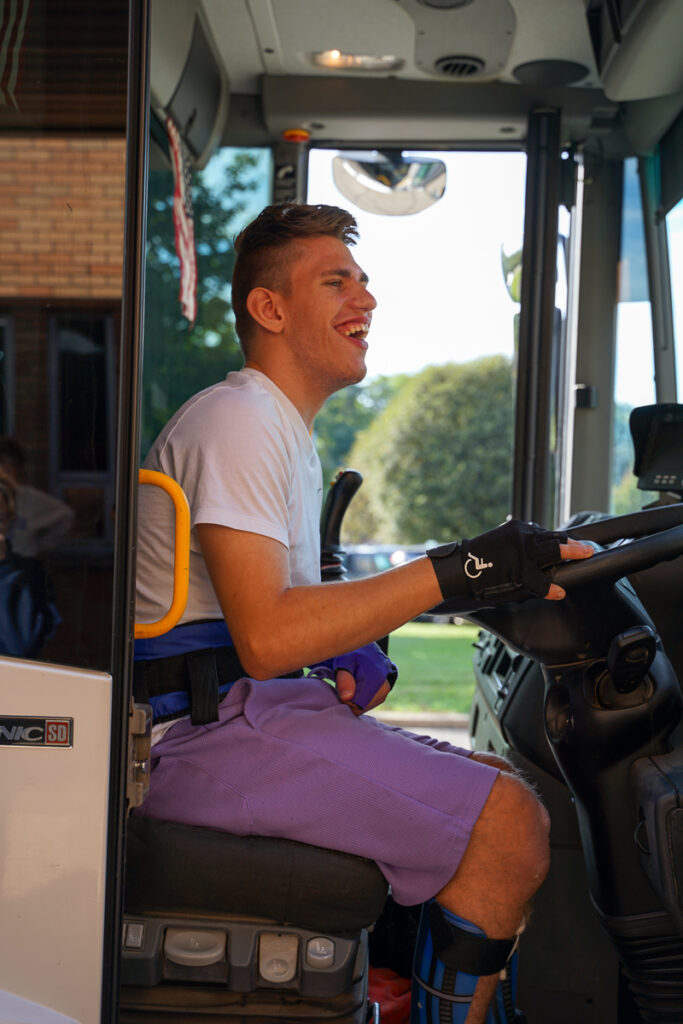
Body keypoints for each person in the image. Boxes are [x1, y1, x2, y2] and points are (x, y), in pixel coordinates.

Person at [134, 203, 593, 1024]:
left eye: (364, 281)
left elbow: (275, 622)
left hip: (237, 709)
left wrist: (348, 644)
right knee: (509, 824)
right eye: (335, 280)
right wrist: (461, 569)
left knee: (493, 783)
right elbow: (270, 637)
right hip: (189, 738)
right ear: (269, 310)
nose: (366, 299)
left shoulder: (277, 428)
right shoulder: (236, 420)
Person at [0, 437, 74, 558]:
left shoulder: (27, 497)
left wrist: (41, 546)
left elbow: (65, 515)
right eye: (2, 463)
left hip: (22, 564)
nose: (5, 470)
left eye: (11, 465)